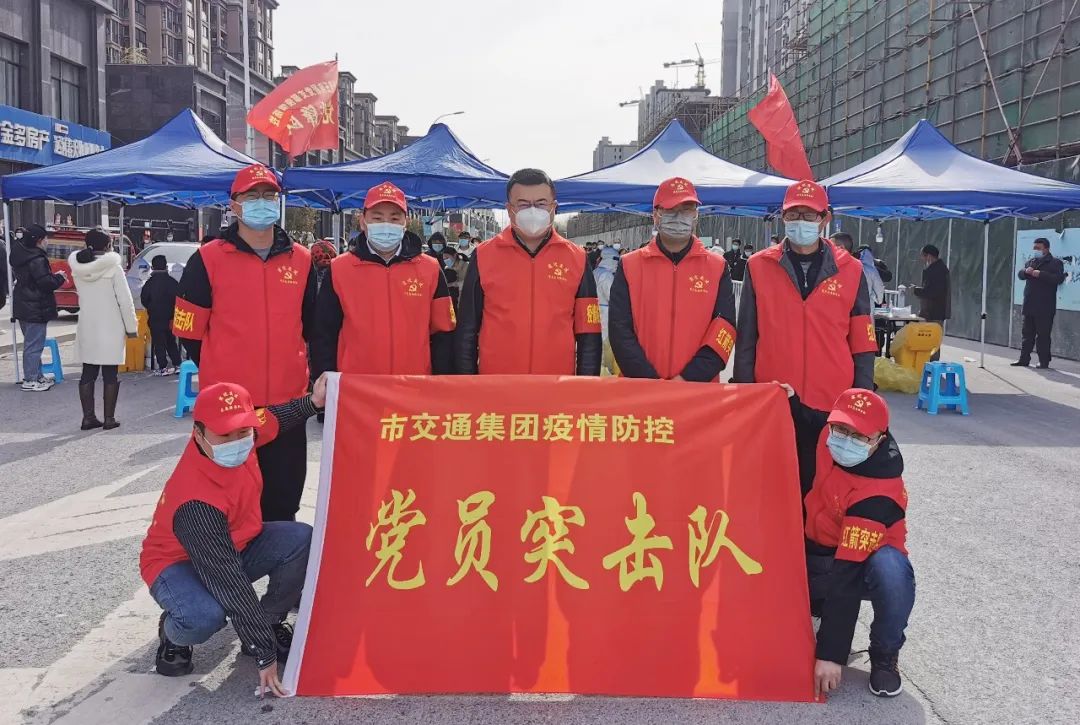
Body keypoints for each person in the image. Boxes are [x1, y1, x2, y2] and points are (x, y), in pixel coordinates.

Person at [141, 378, 325, 694]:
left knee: (300, 539)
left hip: (237, 542)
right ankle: (173, 633)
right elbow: (229, 580)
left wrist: (313, 402)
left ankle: (269, 620)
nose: (236, 442)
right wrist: (263, 652)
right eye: (224, 435)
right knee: (204, 617)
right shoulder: (196, 501)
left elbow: (275, 418)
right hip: (176, 563)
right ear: (198, 433)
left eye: (243, 432)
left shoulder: (245, 438)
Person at [174, 164, 316, 523]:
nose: (261, 202)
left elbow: (312, 325)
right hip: (229, 409)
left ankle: (283, 558)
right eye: (252, 196)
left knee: (283, 504)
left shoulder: (301, 259)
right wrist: (221, 367)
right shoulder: (207, 259)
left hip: (287, 404)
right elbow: (188, 331)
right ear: (234, 204)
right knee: (228, 506)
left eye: (269, 195)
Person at [734, 180, 877, 497]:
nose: (801, 221)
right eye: (793, 214)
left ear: (825, 219)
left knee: (824, 488)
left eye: (809, 215)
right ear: (783, 217)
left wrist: (861, 398)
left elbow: (863, 341)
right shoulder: (759, 266)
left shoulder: (850, 269)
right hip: (774, 397)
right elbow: (746, 338)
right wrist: (745, 394)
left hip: (832, 400)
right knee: (774, 487)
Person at [784, 386, 914, 699]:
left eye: (859, 436)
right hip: (818, 547)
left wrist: (831, 654)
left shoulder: (877, 493)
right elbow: (811, 420)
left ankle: (885, 653)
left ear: (879, 439)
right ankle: (815, 604)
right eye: (840, 429)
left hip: (862, 564)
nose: (845, 440)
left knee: (892, 573)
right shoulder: (830, 435)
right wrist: (788, 399)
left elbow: (848, 573)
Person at [454, 168, 601, 375]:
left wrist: (586, 384)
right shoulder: (484, 255)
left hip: (556, 384)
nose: (533, 211)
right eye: (523, 204)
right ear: (509, 209)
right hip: (497, 383)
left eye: (541, 203)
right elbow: (467, 328)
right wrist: (467, 382)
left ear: (553, 207)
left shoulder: (576, 258)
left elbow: (589, 332)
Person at [311, 181, 456, 379]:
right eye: (377, 218)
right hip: (357, 386)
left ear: (405, 222)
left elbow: (443, 332)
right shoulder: (339, 269)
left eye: (394, 218)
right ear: (363, 221)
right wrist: (324, 379)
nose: (386, 225)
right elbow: (323, 333)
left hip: (414, 386)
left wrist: (440, 383)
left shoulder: (429, 269)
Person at [609, 177, 737, 382]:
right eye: (670, 210)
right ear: (656, 216)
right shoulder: (630, 265)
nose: (679, 217)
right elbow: (619, 329)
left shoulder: (717, 267)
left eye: (686, 209)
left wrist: (688, 379)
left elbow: (725, 328)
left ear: (696, 215)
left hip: (699, 390)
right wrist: (650, 382)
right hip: (640, 388)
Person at [69, 229, 139, 430]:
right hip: (111, 326)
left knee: (88, 372)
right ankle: (109, 419)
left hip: (87, 324)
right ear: (109, 245)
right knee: (110, 374)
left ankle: (88, 417)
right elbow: (125, 301)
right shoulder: (114, 268)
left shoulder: (78, 268)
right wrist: (131, 327)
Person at [8, 224, 67, 392]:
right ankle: (31, 379)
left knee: (32, 343)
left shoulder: (20, 254)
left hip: (23, 304)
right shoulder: (37, 259)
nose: (48, 241)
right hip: (35, 306)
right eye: (46, 238)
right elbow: (45, 282)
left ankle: (37, 375)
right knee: (34, 345)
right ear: (39, 241)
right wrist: (60, 278)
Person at [1014, 236, 1066, 369]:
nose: (1035, 250)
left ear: (1046, 249)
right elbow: (1020, 274)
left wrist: (1041, 274)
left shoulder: (1055, 263)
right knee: (1027, 334)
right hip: (1029, 304)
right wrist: (1025, 272)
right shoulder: (1031, 261)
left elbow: (1059, 279)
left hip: (1045, 306)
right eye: (1034, 247)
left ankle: (1044, 361)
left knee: (1043, 335)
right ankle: (1024, 359)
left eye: (1038, 248)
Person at [141, 254, 182, 376]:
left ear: (153, 267)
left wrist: (151, 307)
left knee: (159, 343)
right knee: (171, 341)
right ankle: (177, 364)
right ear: (166, 266)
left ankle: (163, 367)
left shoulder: (149, 283)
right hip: (171, 317)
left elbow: (144, 299)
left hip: (155, 317)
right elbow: (179, 298)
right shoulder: (172, 282)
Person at [593, 245, 619, 373]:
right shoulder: (606, 276)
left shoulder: (595, 272)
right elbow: (613, 297)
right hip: (605, 314)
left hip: (595, 312)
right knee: (605, 344)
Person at [911, 245, 950, 326]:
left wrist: (916, 290)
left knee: (931, 333)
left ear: (929, 256)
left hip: (934, 314)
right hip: (931, 312)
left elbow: (932, 291)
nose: (922, 259)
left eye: (923, 255)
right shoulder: (937, 268)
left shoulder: (937, 270)